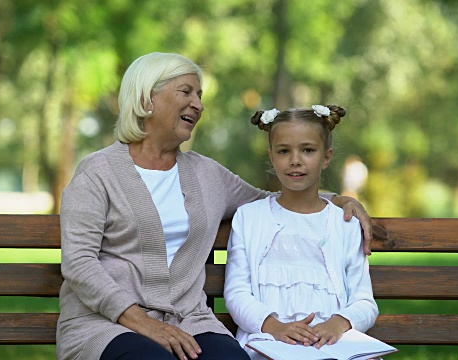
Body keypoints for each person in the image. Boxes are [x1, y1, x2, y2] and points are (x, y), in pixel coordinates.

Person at [57, 52, 373, 360]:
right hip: (107, 323)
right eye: (186, 92)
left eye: (200, 94)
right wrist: (139, 320)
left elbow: (274, 201)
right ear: (145, 100)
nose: (198, 104)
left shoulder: (206, 173)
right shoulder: (98, 172)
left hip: (188, 321)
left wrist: (338, 200)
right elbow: (79, 262)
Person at [224, 105, 378, 359]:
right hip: (268, 342)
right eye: (284, 151)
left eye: (308, 150)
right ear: (271, 156)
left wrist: (338, 323)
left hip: (331, 344)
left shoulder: (344, 223)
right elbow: (237, 292)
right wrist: (273, 326)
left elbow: (365, 302)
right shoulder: (250, 218)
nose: (295, 160)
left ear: (326, 157)